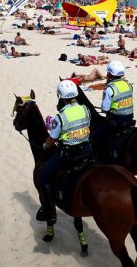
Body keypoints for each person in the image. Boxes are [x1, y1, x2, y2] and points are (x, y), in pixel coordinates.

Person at [38, 80, 93, 224]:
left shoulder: (61, 116)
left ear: (61, 97)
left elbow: (53, 138)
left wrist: (45, 146)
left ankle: (49, 212)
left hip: (70, 155)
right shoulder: (85, 109)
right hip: (87, 150)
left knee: (43, 177)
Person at [91, 61, 134, 160]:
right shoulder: (128, 85)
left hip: (117, 121)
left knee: (94, 137)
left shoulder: (110, 88)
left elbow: (105, 108)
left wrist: (104, 109)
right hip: (130, 119)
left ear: (109, 74)